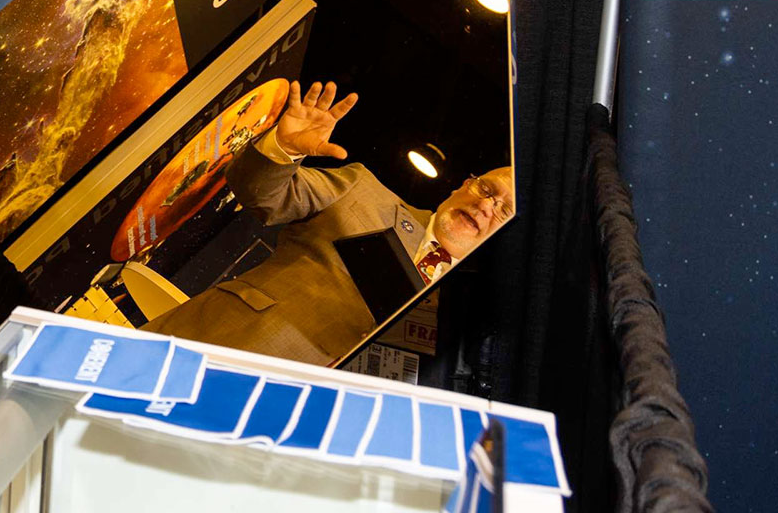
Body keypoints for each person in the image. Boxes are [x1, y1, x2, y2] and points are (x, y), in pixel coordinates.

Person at [145, 81, 513, 366]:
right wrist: (284, 149)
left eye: (503, 209)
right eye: (486, 188)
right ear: (463, 185)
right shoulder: (363, 192)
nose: (485, 204)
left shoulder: (470, 319)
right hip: (216, 350)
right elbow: (261, 194)